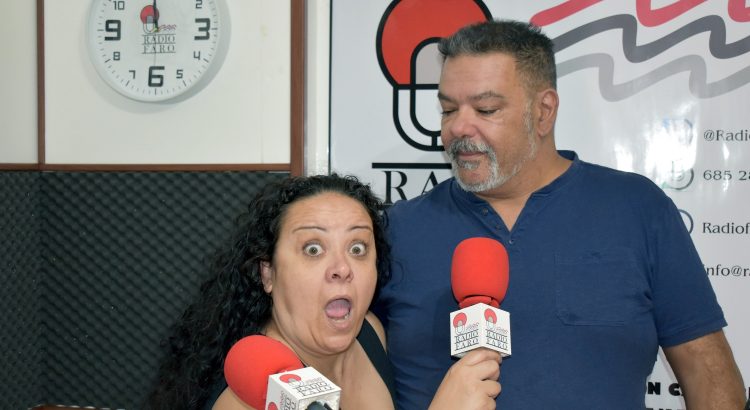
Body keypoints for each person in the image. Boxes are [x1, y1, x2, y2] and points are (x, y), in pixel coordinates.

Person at [373, 19, 747, 409]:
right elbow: (347, 364)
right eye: (449, 109)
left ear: (544, 111)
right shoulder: (397, 229)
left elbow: (707, 373)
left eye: (486, 109)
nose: (458, 127)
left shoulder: (637, 209)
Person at [146, 174, 396, 409]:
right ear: (268, 274)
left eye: (357, 248)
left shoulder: (371, 330)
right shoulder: (247, 399)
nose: (342, 268)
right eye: (313, 249)